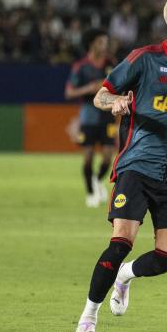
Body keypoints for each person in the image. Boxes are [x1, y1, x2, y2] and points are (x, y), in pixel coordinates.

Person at [75, 0, 167, 332]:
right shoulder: (144, 60)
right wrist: (117, 102)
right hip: (137, 167)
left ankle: (126, 276)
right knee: (121, 240)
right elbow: (101, 95)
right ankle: (89, 316)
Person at [65, 28, 115, 208]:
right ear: (92, 43)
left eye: (105, 42)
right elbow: (69, 92)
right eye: (101, 42)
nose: (105, 45)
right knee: (87, 157)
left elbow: (120, 84)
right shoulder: (81, 66)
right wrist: (89, 88)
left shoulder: (111, 63)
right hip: (88, 116)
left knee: (108, 156)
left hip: (107, 114)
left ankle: (96, 179)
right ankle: (90, 193)